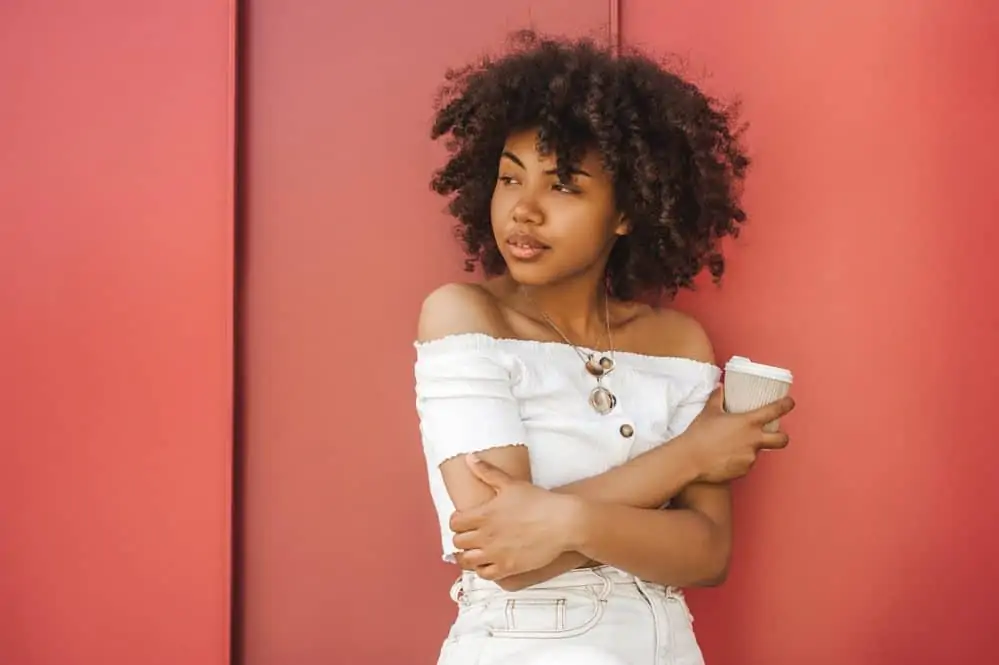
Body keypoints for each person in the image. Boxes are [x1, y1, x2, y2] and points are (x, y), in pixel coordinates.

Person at [413, 30, 796, 665]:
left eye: (562, 186)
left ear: (627, 211)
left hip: (669, 646)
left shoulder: (677, 342)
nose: (523, 212)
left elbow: (706, 554)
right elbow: (500, 547)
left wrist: (559, 522)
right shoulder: (464, 317)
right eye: (510, 180)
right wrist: (691, 456)